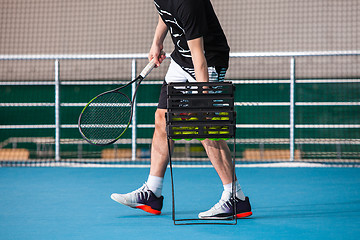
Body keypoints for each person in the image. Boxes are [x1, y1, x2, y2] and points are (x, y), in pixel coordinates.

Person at [111, 0, 252, 219]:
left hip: (208, 59)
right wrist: (156, 42)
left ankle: (236, 197)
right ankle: (152, 192)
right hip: (181, 57)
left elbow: (200, 58)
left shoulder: (188, 4)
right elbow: (166, 13)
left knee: (205, 128)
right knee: (162, 118)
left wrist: (204, 100)